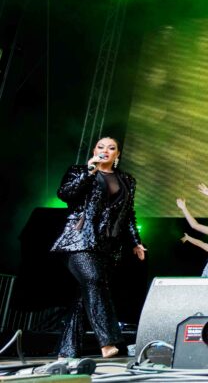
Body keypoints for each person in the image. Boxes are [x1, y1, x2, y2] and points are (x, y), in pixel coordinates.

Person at [51, 137, 146, 359]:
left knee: (84, 296)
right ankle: (108, 341)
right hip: (78, 240)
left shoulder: (127, 180)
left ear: (117, 154)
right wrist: (89, 171)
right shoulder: (79, 171)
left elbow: (128, 214)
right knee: (94, 281)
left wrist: (136, 241)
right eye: (101, 147)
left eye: (111, 148)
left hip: (107, 246)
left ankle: (66, 351)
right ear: (94, 150)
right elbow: (65, 194)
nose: (106, 150)